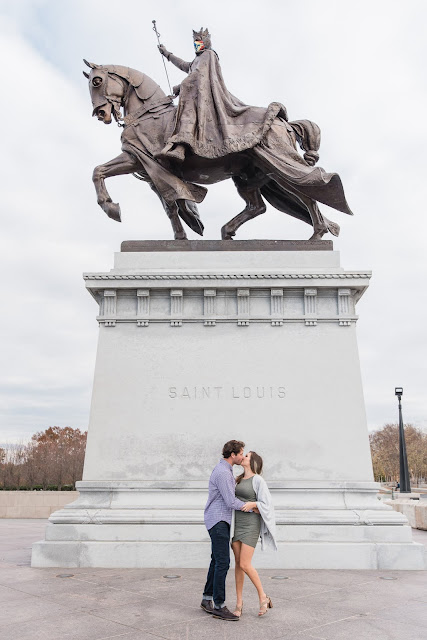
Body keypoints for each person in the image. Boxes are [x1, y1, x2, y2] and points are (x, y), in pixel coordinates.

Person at [201, 440, 253, 621]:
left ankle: (207, 599)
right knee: (223, 562)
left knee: (216, 560)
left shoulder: (225, 470)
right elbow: (231, 502)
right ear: (233, 455)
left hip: (218, 520)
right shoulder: (223, 472)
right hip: (218, 521)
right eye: (241, 453)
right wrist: (252, 506)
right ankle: (219, 606)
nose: (242, 456)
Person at [231, 451, 277, 617]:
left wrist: (253, 504)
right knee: (237, 564)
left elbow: (267, 504)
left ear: (253, 462)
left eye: (247, 456)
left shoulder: (258, 480)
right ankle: (239, 603)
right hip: (237, 525)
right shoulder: (237, 479)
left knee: (245, 563)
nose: (244, 457)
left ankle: (263, 597)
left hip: (251, 525)